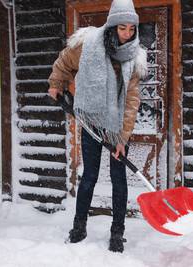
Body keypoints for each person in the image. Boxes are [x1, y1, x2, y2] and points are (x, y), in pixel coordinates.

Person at [47, 0, 147, 253]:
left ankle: (117, 232)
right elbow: (63, 63)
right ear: (112, 27)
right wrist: (57, 83)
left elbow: (132, 100)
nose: (127, 34)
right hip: (91, 119)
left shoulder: (133, 57)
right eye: (122, 28)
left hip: (116, 125)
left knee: (118, 178)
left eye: (131, 29)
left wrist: (122, 138)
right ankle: (79, 226)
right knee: (89, 175)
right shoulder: (87, 45)